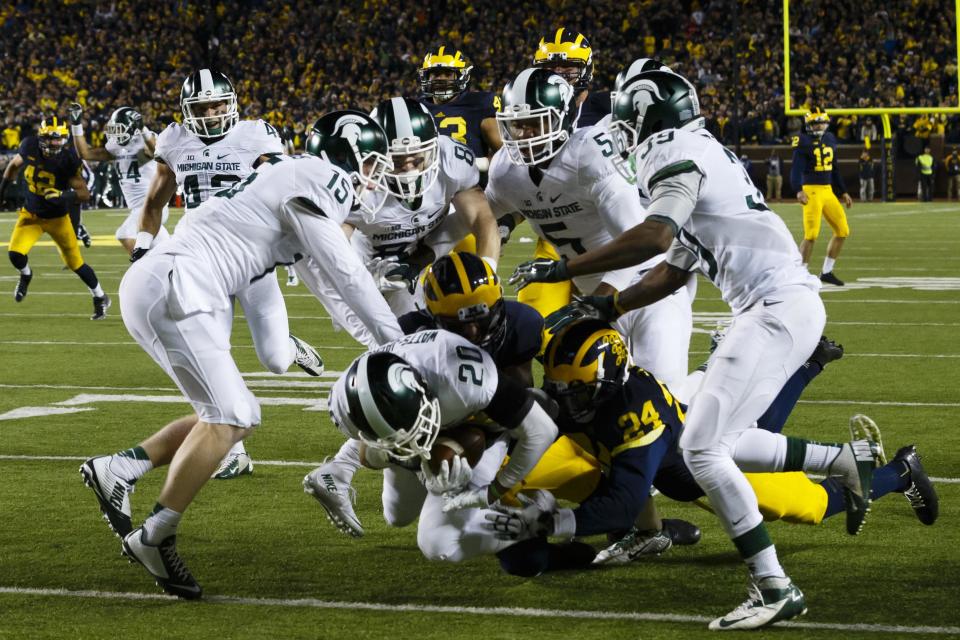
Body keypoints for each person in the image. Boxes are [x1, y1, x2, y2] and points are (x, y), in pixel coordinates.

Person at [509, 70, 879, 630]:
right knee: (704, 440)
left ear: (646, 115)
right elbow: (674, 268)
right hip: (778, 305)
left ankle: (773, 585)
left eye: (629, 117)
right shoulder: (703, 149)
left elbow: (655, 236)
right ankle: (844, 462)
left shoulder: (672, 151)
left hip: (775, 308)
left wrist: (565, 267)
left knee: (702, 452)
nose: (623, 130)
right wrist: (606, 307)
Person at [79, 111, 404, 600]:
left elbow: (327, 283)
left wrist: (377, 338)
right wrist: (396, 342)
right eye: (373, 161)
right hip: (180, 285)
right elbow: (344, 271)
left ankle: (120, 468)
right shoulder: (319, 176)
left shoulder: (291, 176)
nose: (377, 175)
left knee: (232, 416)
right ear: (348, 154)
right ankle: (154, 536)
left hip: (173, 284)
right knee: (234, 415)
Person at [484, 320, 937, 575]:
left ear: (606, 384)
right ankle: (805, 362)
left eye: (577, 392)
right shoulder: (589, 390)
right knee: (755, 426)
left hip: (698, 466)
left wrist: (554, 521)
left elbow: (624, 499)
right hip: (687, 432)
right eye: (561, 389)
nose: (567, 400)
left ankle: (899, 471)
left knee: (811, 503)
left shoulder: (630, 416)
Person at [132, 68, 317, 479]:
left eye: (218, 104)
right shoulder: (174, 141)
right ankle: (230, 447)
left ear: (232, 103)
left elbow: (285, 188)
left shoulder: (256, 135)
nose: (213, 113)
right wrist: (143, 247)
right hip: (199, 263)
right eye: (202, 107)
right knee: (213, 353)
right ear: (186, 111)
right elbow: (155, 200)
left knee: (275, 361)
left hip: (250, 259)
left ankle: (289, 347)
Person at [490, 68, 694, 389]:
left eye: (535, 123)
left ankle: (710, 377)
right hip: (596, 302)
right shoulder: (505, 171)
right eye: (517, 125)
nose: (524, 135)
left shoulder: (589, 154)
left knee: (663, 399)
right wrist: (497, 234)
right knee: (591, 405)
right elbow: (488, 213)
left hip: (648, 290)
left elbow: (638, 243)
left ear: (563, 118)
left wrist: (596, 301)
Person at [327, 325, 560, 566]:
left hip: (478, 436)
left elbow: (542, 430)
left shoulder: (457, 373)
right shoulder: (343, 404)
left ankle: (531, 521)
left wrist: (492, 491)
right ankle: (413, 453)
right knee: (396, 515)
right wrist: (403, 457)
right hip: (413, 439)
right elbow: (366, 453)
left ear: (421, 388)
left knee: (439, 543)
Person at [0, 117, 110, 319]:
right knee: (15, 254)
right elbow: (14, 165)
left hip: (58, 218)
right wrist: (2, 190)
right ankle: (26, 275)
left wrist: (63, 195)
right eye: (53, 139)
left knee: (76, 264)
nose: (57, 143)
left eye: (61, 139)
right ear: (42, 138)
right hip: (31, 215)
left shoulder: (67, 159)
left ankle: (100, 297)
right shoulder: (29, 146)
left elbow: (84, 193)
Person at [68, 103, 169, 254]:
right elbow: (85, 154)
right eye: (115, 129)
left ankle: (146, 271)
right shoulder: (115, 146)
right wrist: (76, 125)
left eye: (120, 129)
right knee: (167, 251)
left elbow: (157, 151)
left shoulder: (146, 139)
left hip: (152, 205)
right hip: (138, 208)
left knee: (124, 234)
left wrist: (143, 129)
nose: (117, 134)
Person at [791, 107, 854, 287]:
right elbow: (795, 169)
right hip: (811, 190)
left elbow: (834, 168)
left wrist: (843, 191)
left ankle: (826, 272)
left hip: (827, 190)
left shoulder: (830, 138)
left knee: (842, 230)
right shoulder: (802, 141)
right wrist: (798, 189)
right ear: (808, 124)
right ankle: (800, 274)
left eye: (822, 122)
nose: (819, 126)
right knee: (811, 235)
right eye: (815, 123)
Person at [418, 46, 502, 170]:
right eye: (435, 74)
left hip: (471, 184)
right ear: (426, 76)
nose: (441, 79)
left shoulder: (479, 104)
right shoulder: (417, 109)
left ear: (461, 76)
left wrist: (480, 164)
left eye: (448, 74)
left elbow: (505, 155)